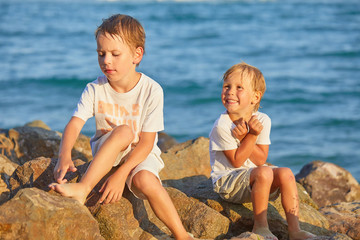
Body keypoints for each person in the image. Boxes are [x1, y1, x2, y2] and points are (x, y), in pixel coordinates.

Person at [49, 14, 193, 240]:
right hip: (109, 152)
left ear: (137, 55)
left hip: (139, 154)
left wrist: (122, 174)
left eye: (115, 54)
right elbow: (74, 123)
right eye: (101, 53)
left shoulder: (151, 90)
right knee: (124, 131)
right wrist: (64, 155)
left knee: (145, 180)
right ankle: (84, 188)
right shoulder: (94, 89)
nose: (106, 60)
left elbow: (146, 144)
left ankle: (181, 235)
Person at [209, 62, 315, 240]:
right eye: (227, 86)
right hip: (227, 182)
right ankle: (260, 226)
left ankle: (295, 230)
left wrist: (246, 137)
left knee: (286, 173)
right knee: (265, 172)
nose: (230, 92)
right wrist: (251, 137)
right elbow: (236, 161)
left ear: (255, 97)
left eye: (239, 87)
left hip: (254, 178)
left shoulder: (263, 121)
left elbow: (260, 159)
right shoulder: (223, 125)